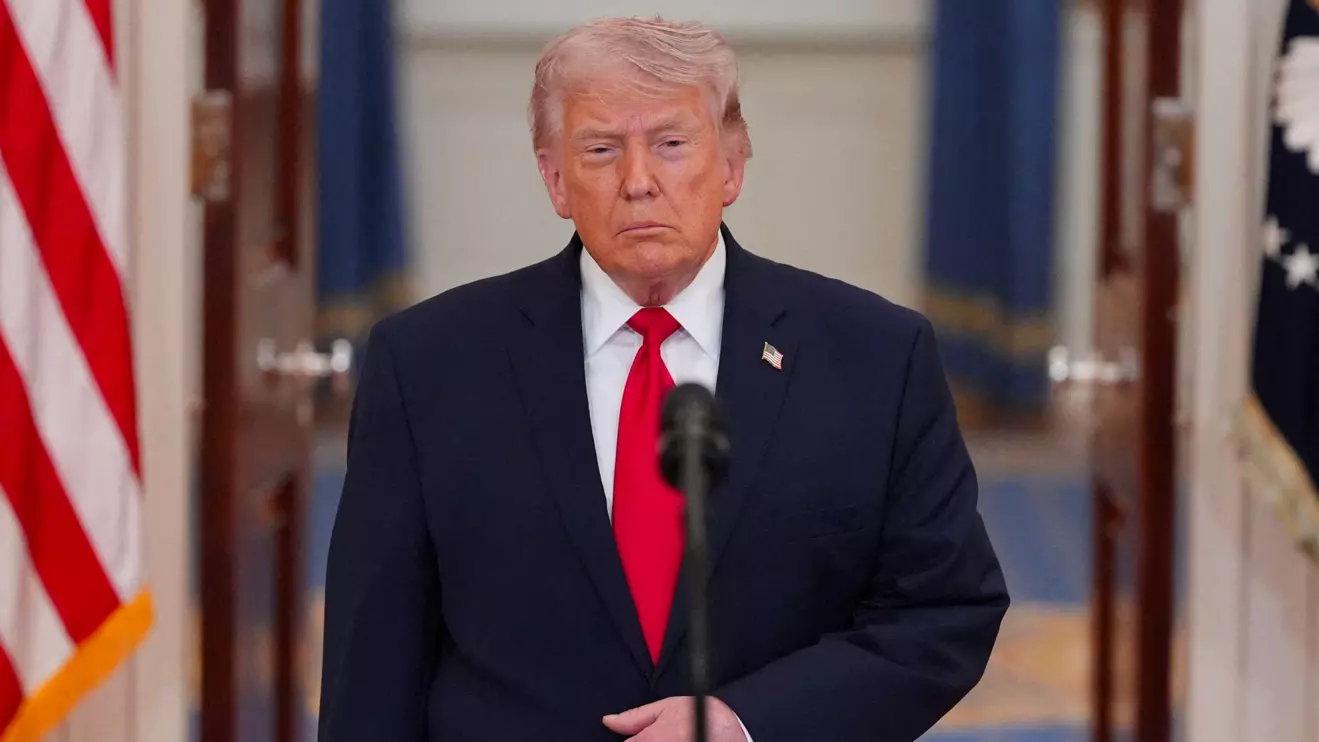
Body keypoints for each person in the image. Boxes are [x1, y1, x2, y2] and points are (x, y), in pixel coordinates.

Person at [317, 16, 1008, 742]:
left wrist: (749, 722)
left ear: (733, 166)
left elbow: (941, 610)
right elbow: (373, 661)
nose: (639, 182)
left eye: (672, 145)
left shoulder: (875, 356)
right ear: (554, 179)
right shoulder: (427, 365)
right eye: (600, 148)